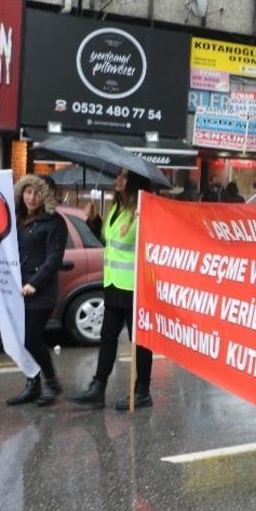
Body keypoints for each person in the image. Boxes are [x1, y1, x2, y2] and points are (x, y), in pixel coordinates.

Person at [69, 170, 154, 410]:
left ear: (134, 182)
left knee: (139, 341)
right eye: (118, 176)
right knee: (107, 336)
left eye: (124, 178)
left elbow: (150, 243)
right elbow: (110, 243)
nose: (117, 181)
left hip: (134, 286)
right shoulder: (116, 208)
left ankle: (142, 391)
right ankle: (98, 388)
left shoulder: (142, 210)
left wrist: (145, 220)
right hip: (113, 283)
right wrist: (94, 221)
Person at [5, 175, 69, 407]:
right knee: (20, 340)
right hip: (17, 289)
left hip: (40, 291)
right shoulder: (17, 219)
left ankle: (52, 383)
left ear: (46, 195)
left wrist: (35, 282)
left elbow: (54, 258)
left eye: (37, 192)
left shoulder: (55, 222)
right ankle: (33, 384)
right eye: (28, 192)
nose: (32, 197)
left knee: (30, 338)